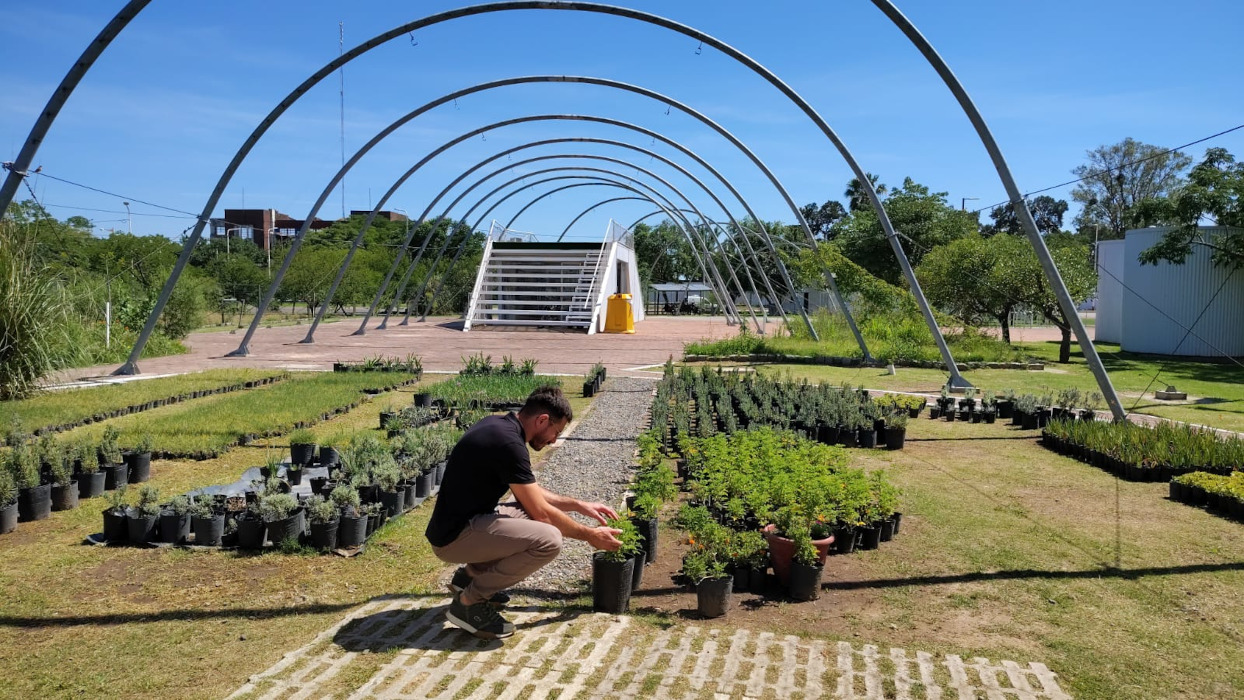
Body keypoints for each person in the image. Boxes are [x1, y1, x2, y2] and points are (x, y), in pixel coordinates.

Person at [424, 385, 623, 639]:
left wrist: (578, 505)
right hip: (453, 539)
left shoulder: (499, 426)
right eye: (556, 432)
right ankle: (469, 603)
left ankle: (470, 577)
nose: (554, 440)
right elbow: (542, 513)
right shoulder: (509, 444)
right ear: (542, 420)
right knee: (549, 540)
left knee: (526, 513)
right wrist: (590, 535)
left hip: (462, 524)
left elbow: (531, 493)